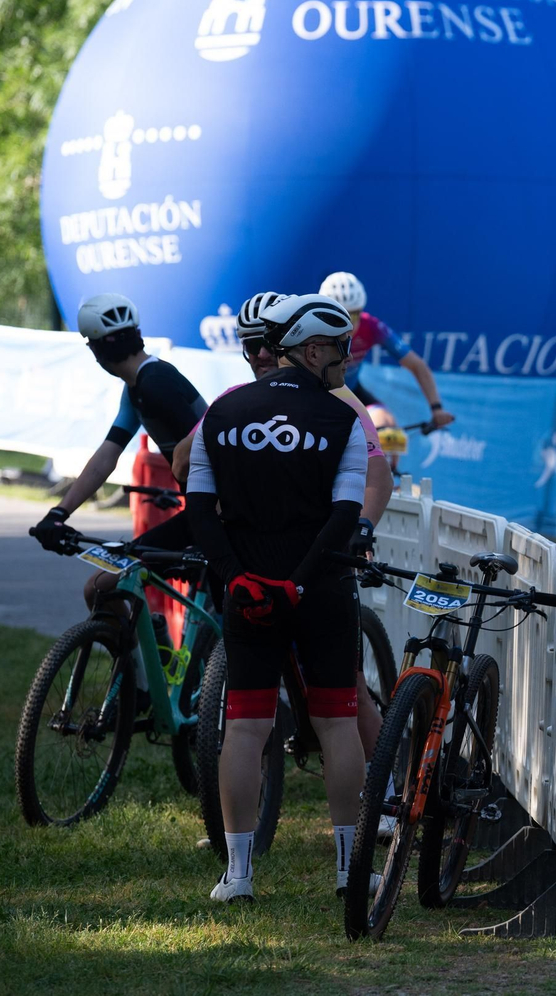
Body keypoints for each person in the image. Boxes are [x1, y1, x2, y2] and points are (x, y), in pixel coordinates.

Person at [185, 293, 370, 904]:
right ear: (313, 351)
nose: (347, 358)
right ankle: (348, 871)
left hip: (246, 592)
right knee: (338, 723)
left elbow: (199, 511)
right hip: (320, 591)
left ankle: (237, 876)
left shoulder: (222, 411)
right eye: (340, 348)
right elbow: (344, 517)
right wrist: (299, 582)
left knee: (244, 728)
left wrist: (236, 576)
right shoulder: (342, 418)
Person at [170, 291, 391, 771]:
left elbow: (378, 477)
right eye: (250, 346)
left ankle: (386, 791)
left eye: (266, 344)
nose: (261, 355)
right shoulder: (232, 400)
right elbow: (183, 461)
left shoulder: (340, 400)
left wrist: (362, 529)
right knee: (261, 714)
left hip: (311, 561)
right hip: (258, 562)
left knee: (348, 691)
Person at [30, 294, 208, 613]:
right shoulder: (139, 385)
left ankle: (145, 648)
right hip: (205, 513)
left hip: (215, 516)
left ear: (96, 351)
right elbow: (106, 457)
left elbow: (207, 452)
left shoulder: (155, 386)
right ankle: (154, 640)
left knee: (100, 588)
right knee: (103, 588)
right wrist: (59, 513)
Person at [318, 272, 455, 430]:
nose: (348, 325)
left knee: (388, 429)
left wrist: (436, 408)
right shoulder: (312, 329)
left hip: (351, 393)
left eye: (354, 316)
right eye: (340, 317)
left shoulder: (371, 327)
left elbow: (417, 365)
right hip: (316, 393)